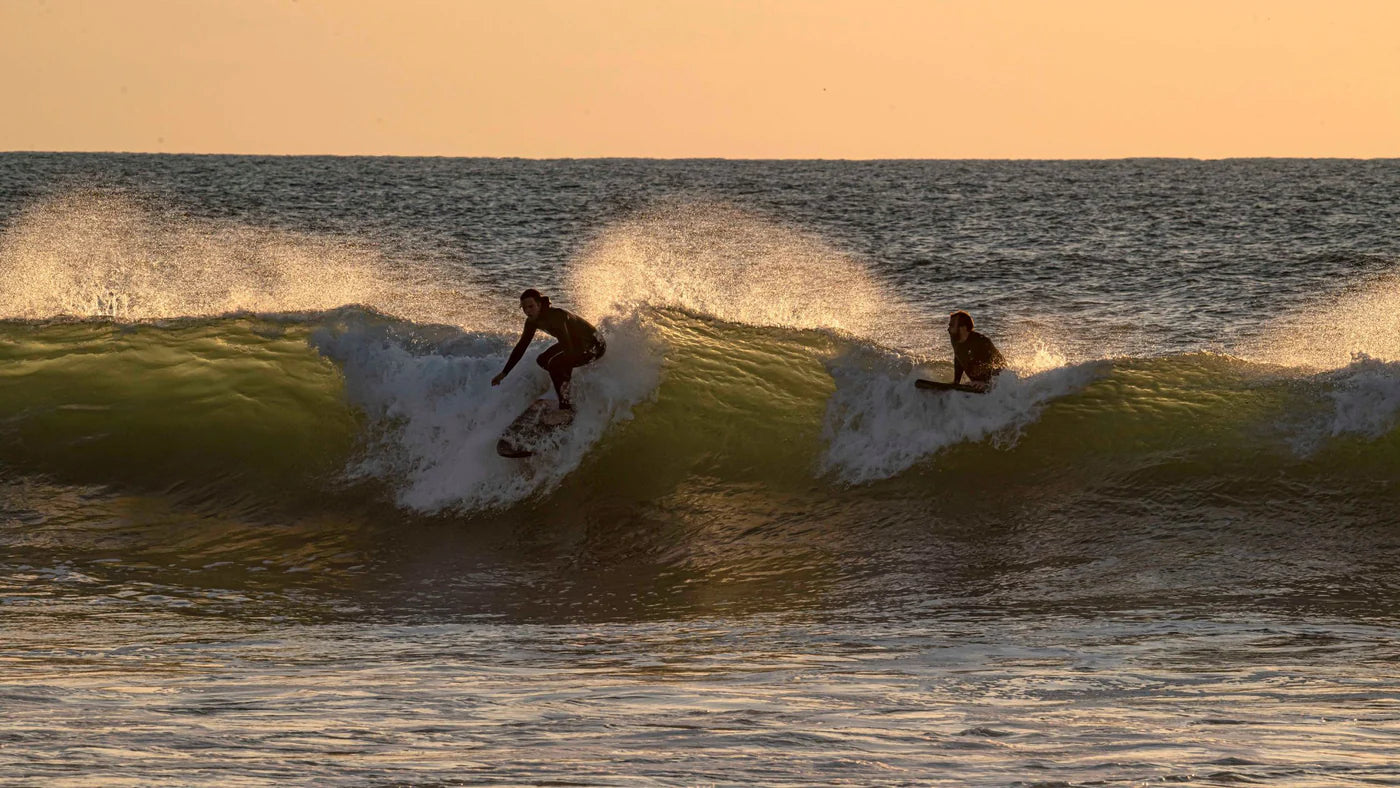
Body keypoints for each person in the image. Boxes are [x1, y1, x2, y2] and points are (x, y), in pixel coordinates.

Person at [492, 289, 606, 418]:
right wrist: (504, 373)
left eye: (531, 306)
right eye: (524, 308)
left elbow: (568, 351)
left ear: (539, 305)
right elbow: (521, 347)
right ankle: (565, 393)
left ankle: (566, 408)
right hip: (576, 343)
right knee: (542, 360)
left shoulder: (556, 317)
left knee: (556, 364)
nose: (527, 311)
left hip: (594, 345)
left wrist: (563, 374)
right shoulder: (532, 321)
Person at [947, 310, 1005, 390]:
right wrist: (956, 382)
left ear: (963, 328)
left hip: (996, 384)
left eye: (952, 326)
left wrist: (987, 383)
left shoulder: (983, 342)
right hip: (977, 383)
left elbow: (999, 365)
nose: (948, 329)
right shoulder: (955, 339)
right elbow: (958, 357)